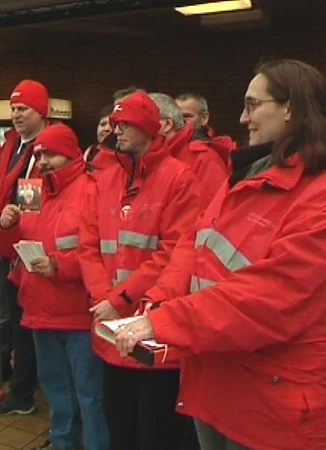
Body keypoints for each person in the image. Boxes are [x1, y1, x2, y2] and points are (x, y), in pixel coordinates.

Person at [116, 59, 326, 450]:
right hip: (222, 380)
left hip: (279, 403)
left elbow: (272, 296)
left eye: (253, 105)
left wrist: (165, 322)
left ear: (291, 109)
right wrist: (157, 304)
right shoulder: (249, 175)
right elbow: (193, 244)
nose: (243, 117)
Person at [78, 91, 203, 450]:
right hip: (110, 330)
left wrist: (118, 299)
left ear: (150, 128)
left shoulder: (180, 178)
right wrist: (105, 299)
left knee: (155, 433)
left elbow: (174, 252)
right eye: (115, 123)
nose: (117, 130)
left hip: (152, 335)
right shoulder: (104, 180)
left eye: (126, 124)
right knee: (120, 429)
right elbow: (89, 246)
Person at [0, 123, 109, 450]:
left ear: (72, 154)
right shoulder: (31, 192)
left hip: (78, 316)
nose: (44, 160)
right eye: (40, 153)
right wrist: (6, 225)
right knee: (57, 390)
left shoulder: (92, 190)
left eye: (52, 153)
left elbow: (101, 252)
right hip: (39, 312)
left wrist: (60, 264)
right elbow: (11, 247)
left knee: (90, 395)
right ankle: (62, 443)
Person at [0, 79, 48, 416]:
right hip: (6, 244)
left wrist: (13, 219)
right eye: (13, 108)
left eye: (23, 108)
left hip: (27, 249)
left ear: (42, 110)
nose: (16, 114)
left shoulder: (43, 150)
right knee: (11, 318)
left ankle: (22, 393)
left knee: (24, 322)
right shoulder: (11, 143)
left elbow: (33, 202)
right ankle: (19, 375)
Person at [150, 92, 230, 207]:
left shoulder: (204, 157)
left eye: (187, 116)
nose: (182, 121)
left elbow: (215, 207)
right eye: (178, 116)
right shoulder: (149, 156)